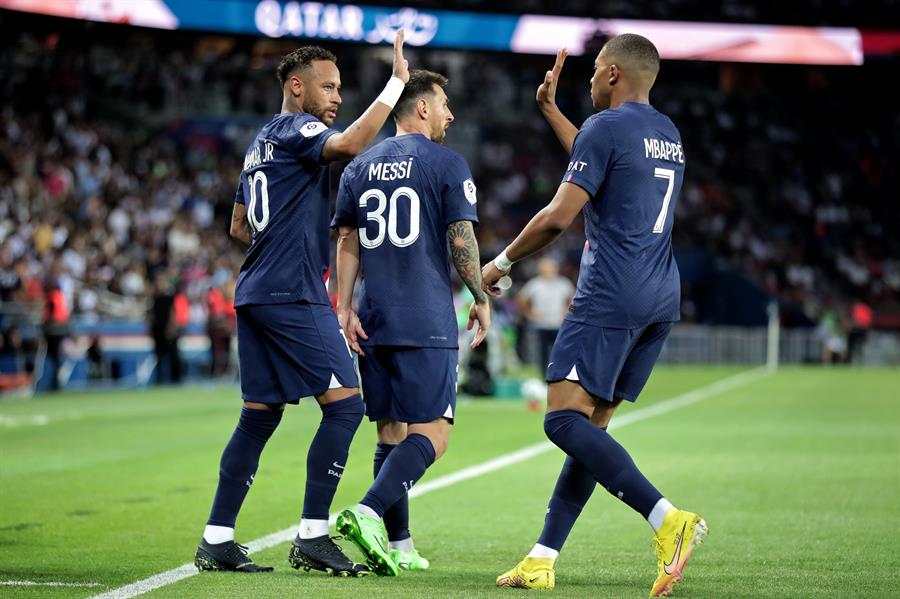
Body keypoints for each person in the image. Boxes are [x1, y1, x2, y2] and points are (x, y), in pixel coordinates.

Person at [483, 35, 707, 597]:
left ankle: (666, 519)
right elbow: (600, 157)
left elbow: (561, 215)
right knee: (590, 429)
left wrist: (502, 260)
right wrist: (552, 111)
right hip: (660, 295)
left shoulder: (607, 128)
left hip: (611, 292)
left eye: (591, 72)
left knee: (561, 421)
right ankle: (542, 557)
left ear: (610, 74)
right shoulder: (667, 133)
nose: (586, 79)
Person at [194, 32, 410, 576]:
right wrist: (395, 85)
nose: (337, 97)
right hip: (292, 292)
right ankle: (313, 533)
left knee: (257, 419)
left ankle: (216, 538)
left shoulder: (258, 143)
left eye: (340, 88)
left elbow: (239, 224)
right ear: (296, 88)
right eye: (328, 87)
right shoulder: (296, 128)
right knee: (345, 407)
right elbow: (349, 145)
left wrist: (282, 242)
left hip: (256, 291)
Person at [330, 69, 490, 576]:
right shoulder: (446, 163)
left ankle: (398, 545)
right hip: (425, 316)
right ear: (421, 108)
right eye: (443, 104)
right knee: (434, 436)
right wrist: (480, 296)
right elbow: (460, 237)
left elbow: (347, 240)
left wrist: (345, 307)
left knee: (389, 431)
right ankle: (367, 511)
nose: (450, 114)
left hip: (373, 315)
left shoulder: (358, 166)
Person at [517, 257, 574, 375]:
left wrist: (568, 312)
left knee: (560, 352)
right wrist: (529, 314)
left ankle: (559, 375)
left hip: (558, 324)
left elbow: (574, 301)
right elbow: (521, 300)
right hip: (541, 324)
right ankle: (544, 376)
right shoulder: (535, 284)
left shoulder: (563, 283)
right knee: (541, 354)